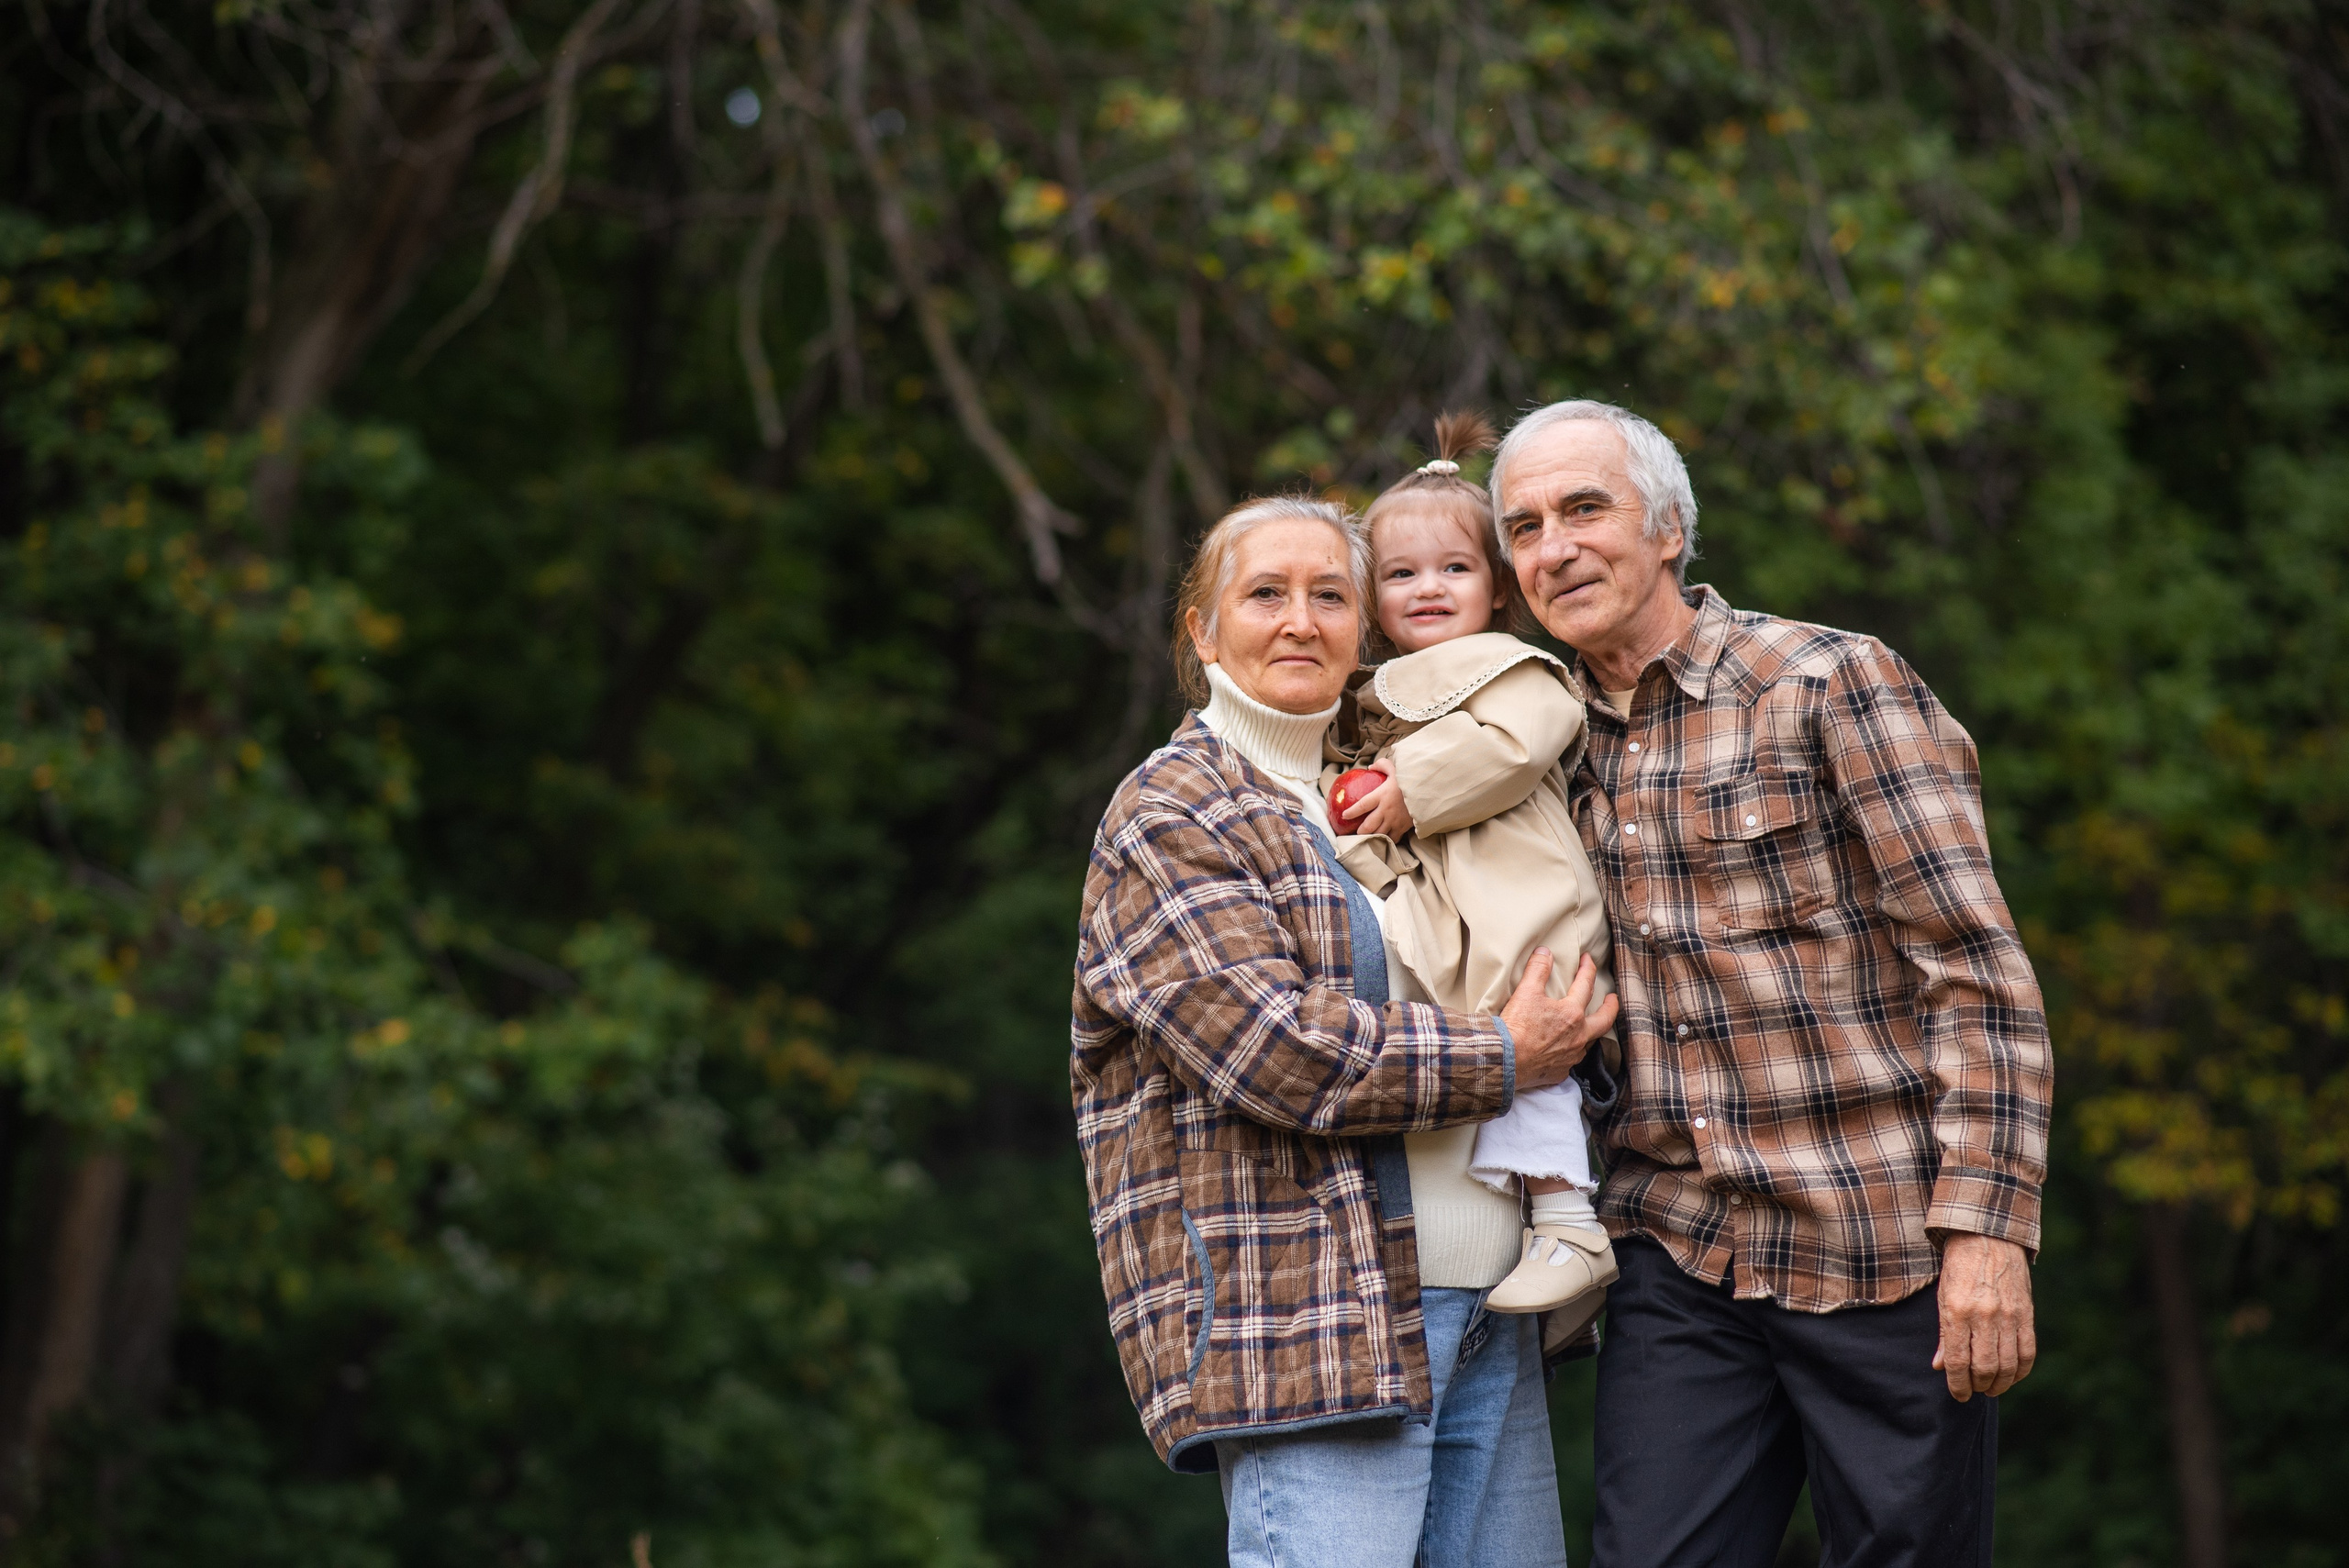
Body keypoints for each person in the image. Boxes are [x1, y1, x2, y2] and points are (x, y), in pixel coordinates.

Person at [1489, 399, 2054, 1568]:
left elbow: (1973, 969)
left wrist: (1988, 1233)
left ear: (1667, 527)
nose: (1554, 547)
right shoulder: (1537, 744)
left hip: (1884, 1245)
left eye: (1584, 508)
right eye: (1524, 527)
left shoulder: (1829, 682)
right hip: (1679, 1247)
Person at [1070, 495, 1618, 1568]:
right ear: (1201, 627)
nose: (1299, 620)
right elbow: (1278, 1051)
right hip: (1310, 1322)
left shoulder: (1380, 784)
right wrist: (1507, 1056)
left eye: (1329, 594)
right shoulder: (1175, 811)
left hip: (1490, 1309)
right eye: (1264, 593)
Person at [1323, 410, 1618, 1326]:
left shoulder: (1513, 667)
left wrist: (1410, 781)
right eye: (1401, 574)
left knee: (1530, 1050)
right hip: (1468, 908)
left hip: (1529, 905)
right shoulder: (1380, 695)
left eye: (1454, 568)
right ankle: (1541, 1220)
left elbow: (1516, 744)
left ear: (1497, 587)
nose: (1427, 589)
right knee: (1487, 1053)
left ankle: (1568, 1217)